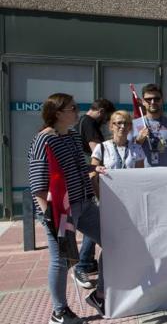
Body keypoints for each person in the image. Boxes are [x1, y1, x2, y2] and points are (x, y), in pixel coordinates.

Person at [28, 93, 105, 324]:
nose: (77, 111)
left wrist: (94, 171)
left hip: (84, 204)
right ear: (58, 113)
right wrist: (50, 219)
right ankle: (59, 312)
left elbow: (81, 169)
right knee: (61, 260)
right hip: (60, 211)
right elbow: (38, 186)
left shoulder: (71, 136)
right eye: (72, 108)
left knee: (114, 240)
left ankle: (99, 295)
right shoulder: (43, 141)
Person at [73, 98, 114, 290]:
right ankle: (82, 264)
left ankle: (87, 262)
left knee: (97, 221)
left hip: (88, 175)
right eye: (107, 118)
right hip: (92, 176)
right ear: (102, 111)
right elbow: (95, 149)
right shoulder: (88, 123)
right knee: (96, 222)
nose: (106, 123)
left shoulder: (82, 121)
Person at [131, 84, 167, 167]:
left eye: (156, 99)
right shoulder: (133, 124)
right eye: (148, 99)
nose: (152, 102)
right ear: (143, 102)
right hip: (143, 176)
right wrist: (138, 142)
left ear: (162, 100)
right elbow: (128, 154)